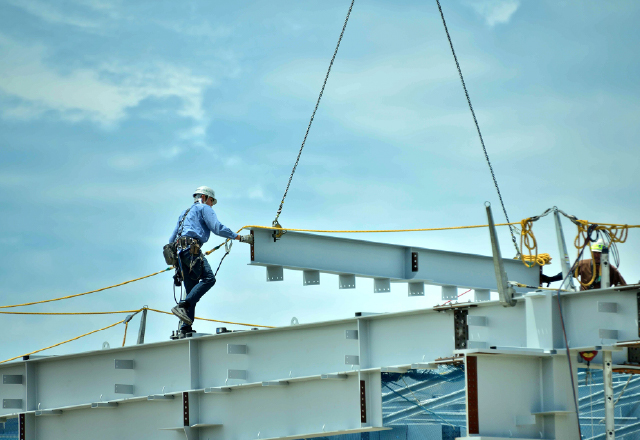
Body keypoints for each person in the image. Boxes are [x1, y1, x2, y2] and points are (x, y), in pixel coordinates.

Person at [169, 186, 252, 336]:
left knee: (192, 290)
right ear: (206, 198)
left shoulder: (184, 213)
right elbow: (217, 228)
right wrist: (240, 237)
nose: (212, 205)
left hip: (180, 254)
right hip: (192, 250)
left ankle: (185, 327)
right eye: (212, 201)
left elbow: (171, 240)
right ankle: (183, 306)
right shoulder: (204, 208)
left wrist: (176, 262)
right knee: (209, 279)